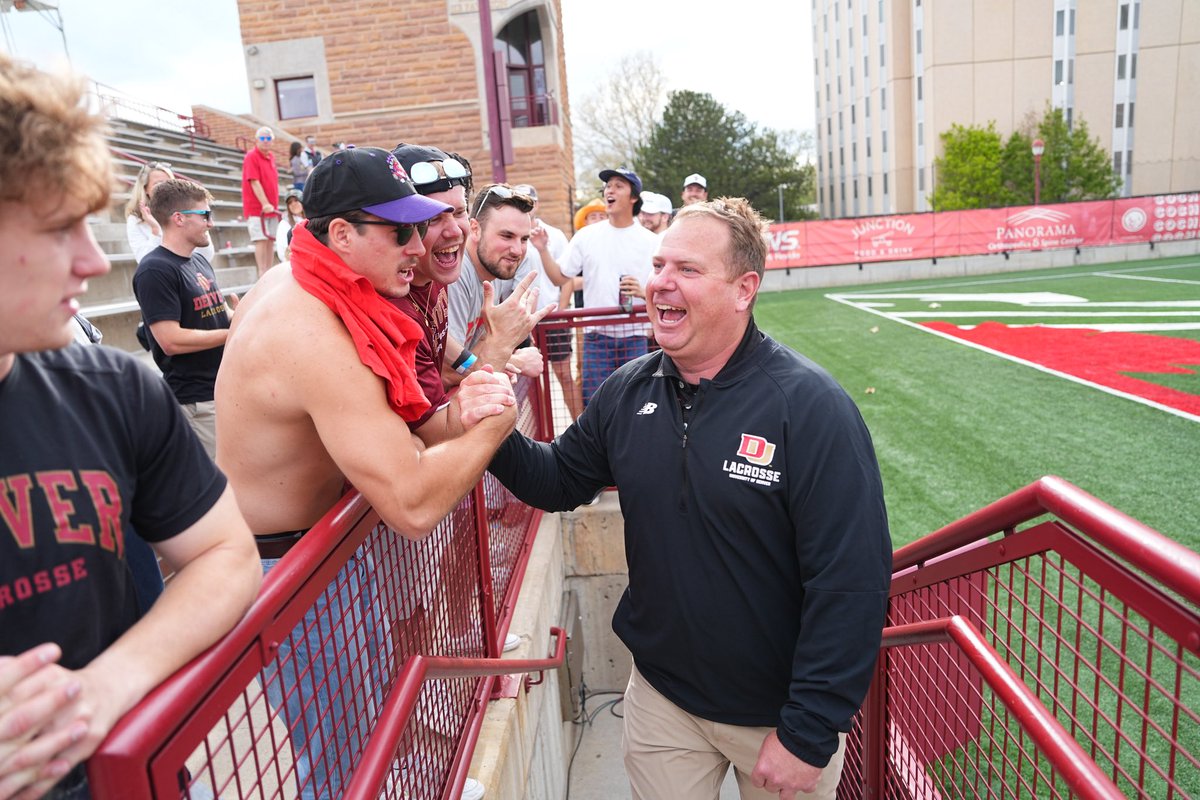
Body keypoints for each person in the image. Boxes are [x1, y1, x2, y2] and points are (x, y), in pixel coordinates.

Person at [489, 198, 892, 800]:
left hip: (776, 717)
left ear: (744, 289)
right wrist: (491, 424)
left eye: (688, 269)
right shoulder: (628, 390)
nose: (661, 283)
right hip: (662, 702)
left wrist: (809, 731)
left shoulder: (810, 408)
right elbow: (558, 480)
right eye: (659, 265)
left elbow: (851, 580)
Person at [215, 145, 518, 800]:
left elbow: (413, 430)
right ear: (342, 234)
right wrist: (491, 428)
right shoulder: (313, 328)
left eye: (419, 227)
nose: (418, 246)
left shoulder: (316, 284)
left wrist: (462, 412)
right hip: (286, 569)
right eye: (398, 231)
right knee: (344, 764)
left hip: (308, 555)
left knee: (367, 735)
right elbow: (412, 504)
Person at [0, 52, 261, 800]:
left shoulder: (113, 390)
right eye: (59, 229)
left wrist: (108, 684)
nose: (91, 262)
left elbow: (224, 554)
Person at [132, 178, 235, 459]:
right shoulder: (154, 270)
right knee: (219, 481)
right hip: (196, 401)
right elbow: (170, 340)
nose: (210, 223)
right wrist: (233, 333)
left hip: (221, 390)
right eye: (204, 215)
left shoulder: (198, 260)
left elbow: (218, 313)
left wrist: (241, 317)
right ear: (179, 218)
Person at [561, 167, 658, 404]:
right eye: (607, 186)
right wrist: (542, 249)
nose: (609, 190)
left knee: (635, 403)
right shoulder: (586, 236)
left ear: (633, 197)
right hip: (596, 337)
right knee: (596, 403)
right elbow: (562, 275)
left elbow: (665, 289)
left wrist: (643, 292)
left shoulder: (652, 241)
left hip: (635, 335)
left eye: (618, 186)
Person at [446, 184, 549, 383]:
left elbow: (479, 349)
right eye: (507, 236)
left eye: (524, 239)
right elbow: (447, 372)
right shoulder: (456, 274)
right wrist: (514, 361)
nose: (517, 250)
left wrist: (502, 344)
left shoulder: (496, 270)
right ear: (475, 229)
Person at [513, 182, 582, 420]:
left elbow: (567, 277)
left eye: (529, 201)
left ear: (537, 204)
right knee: (531, 383)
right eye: (520, 200)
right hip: (525, 321)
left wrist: (561, 312)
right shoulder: (512, 236)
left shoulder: (555, 235)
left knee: (564, 374)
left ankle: (580, 429)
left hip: (552, 318)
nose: (526, 205)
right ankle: (542, 434)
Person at [124, 161, 214, 263]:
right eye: (158, 184)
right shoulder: (135, 219)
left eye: (168, 183)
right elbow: (144, 260)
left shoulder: (187, 211)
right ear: (145, 189)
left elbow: (206, 256)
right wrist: (155, 230)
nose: (164, 188)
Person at [242, 125, 279, 277]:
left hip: (272, 208)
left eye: (268, 138)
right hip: (258, 208)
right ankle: (262, 273)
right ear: (256, 140)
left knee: (270, 240)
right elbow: (254, 181)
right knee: (261, 240)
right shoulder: (251, 156)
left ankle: (269, 273)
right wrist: (265, 203)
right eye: (262, 138)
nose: (265, 141)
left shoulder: (271, 157)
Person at [275, 190, 305, 263]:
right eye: (290, 203)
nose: (293, 204)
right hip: (294, 262)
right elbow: (283, 252)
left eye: (296, 200)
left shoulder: (311, 220)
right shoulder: (284, 224)